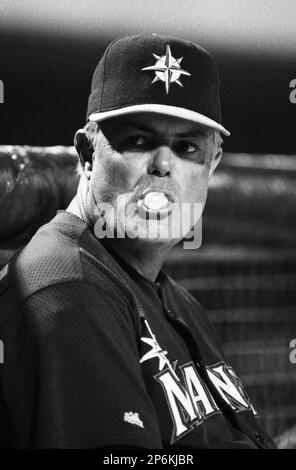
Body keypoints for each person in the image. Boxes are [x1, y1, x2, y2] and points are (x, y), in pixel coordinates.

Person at [0, 33, 276, 449]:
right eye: (139, 141)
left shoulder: (176, 299)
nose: (163, 165)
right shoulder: (65, 289)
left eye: (186, 147)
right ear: (87, 154)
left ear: (213, 163)